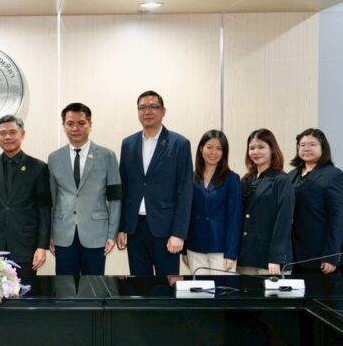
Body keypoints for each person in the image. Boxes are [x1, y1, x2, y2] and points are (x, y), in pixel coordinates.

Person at [118, 90, 193, 276]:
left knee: (167, 288)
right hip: (135, 229)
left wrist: (179, 233)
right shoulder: (128, 144)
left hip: (166, 231)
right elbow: (123, 188)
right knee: (139, 286)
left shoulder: (179, 144)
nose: (147, 111)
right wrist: (121, 228)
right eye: (142, 108)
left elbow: (185, 192)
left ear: (163, 111)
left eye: (153, 106)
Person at [48, 103, 121, 276]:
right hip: (63, 234)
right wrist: (50, 234)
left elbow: (115, 198)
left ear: (90, 124)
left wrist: (112, 234)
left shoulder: (107, 156)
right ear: (64, 125)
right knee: (65, 289)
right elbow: (51, 198)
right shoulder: (54, 158)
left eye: (81, 123)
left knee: (94, 289)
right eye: (70, 123)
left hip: (97, 234)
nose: (75, 128)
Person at [0, 115, 51, 280]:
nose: (8, 137)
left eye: (13, 132)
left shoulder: (39, 168)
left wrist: (42, 246)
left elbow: (44, 209)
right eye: (3, 133)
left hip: (25, 245)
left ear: (22, 134)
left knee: (24, 297)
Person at [287, 128, 343, 275]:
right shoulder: (290, 175)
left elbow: (338, 217)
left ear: (323, 147)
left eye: (312, 144)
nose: (306, 148)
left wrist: (331, 255)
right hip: (292, 254)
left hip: (319, 255)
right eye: (302, 145)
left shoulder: (334, 176)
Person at [236, 129, 294, 275]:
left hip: (270, 259)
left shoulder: (281, 180)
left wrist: (276, 257)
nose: (256, 152)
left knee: (272, 298)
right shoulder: (246, 180)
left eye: (261, 147)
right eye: (252, 148)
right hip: (246, 256)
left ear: (272, 150)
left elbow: (284, 221)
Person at [183, 130, 242, 275]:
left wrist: (231, 252)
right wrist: (184, 249)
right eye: (209, 147)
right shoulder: (190, 178)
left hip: (221, 249)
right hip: (195, 246)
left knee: (223, 295)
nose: (213, 152)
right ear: (201, 148)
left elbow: (235, 218)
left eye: (219, 148)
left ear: (224, 153)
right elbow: (185, 215)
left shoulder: (232, 179)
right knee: (199, 294)